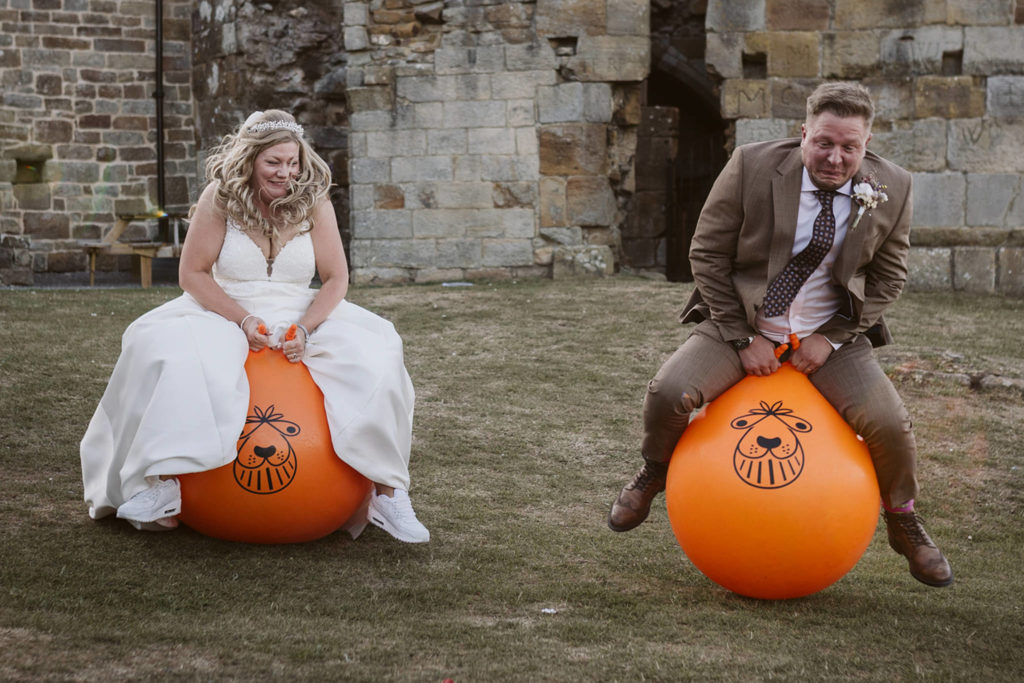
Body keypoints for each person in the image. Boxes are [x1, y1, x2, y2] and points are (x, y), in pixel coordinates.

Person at [607, 82, 952, 587]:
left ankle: (903, 521)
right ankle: (652, 473)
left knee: (891, 425)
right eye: (824, 143)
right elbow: (705, 253)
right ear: (805, 133)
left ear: (867, 141)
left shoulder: (893, 185)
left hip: (831, 336)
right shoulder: (751, 165)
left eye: (849, 147)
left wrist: (831, 337)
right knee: (667, 392)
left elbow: (889, 279)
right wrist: (745, 339)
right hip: (741, 325)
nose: (836, 158)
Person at [80, 110, 429, 543]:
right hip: (224, 308)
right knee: (173, 355)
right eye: (274, 163)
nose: (286, 173)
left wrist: (306, 328)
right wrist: (241, 319)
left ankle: (389, 494)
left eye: (293, 161)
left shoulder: (315, 201)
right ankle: (162, 484)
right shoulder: (219, 198)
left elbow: (337, 278)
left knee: (378, 355)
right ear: (250, 160)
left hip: (300, 309)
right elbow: (192, 275)